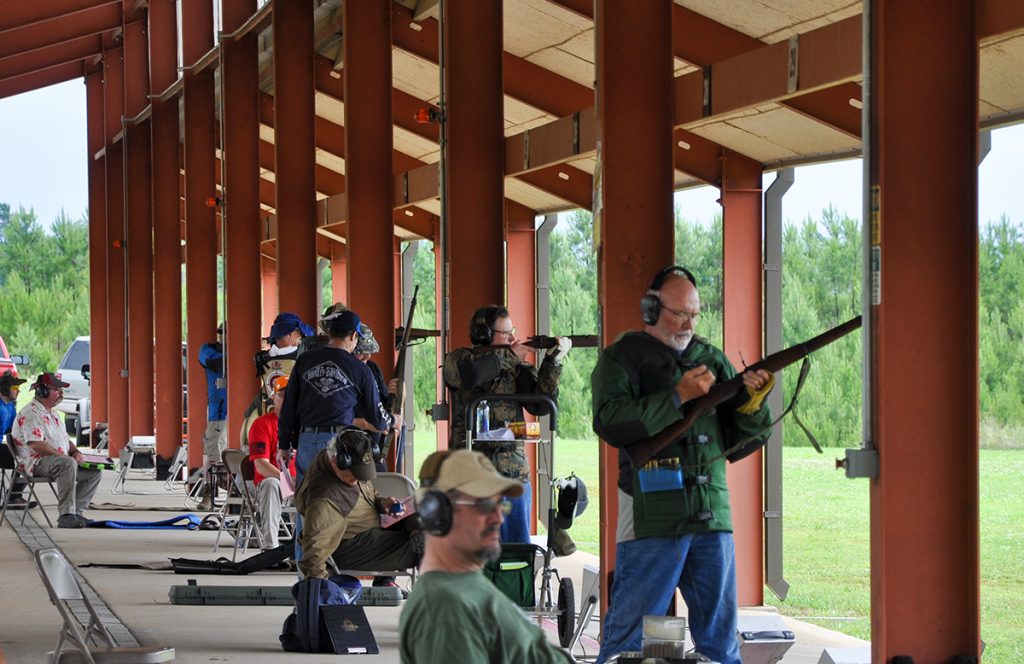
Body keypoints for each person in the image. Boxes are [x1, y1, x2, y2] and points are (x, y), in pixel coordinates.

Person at [590, 266, 776, 664]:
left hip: (712, 515)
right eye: (680, 314)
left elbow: (739, 441)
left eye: (695, 314)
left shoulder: (711, 357)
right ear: (651, 309)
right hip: (650, 517)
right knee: (627, 639)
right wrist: (677, 396)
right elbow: (610, 420)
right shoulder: (621, 358)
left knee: (722, 643)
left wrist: (753, 403)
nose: (689, 323)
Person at [398, 449, 572, 663]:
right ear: (438, 513)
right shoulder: (447, 611)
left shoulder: (465, 586)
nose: (498, 517)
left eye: (500, 504)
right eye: (484, 505)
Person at [277, 308, 400, 563]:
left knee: (307, 508)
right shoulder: (359, 369)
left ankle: (307, 579)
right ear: (354, 336)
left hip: (307, 441)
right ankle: (330, 574)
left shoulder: (304, 362)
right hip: (339, 447)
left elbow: (288, 407)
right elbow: (377, 417)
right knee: (337, 509)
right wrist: (392, 420)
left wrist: (284, 445)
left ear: (329, 333)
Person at [443, 305, 571, 543]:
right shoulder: (458, 359)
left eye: (513, 331)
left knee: (516, 551)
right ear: (483, 334)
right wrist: (510, 356)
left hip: (512, 473)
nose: (513, 338)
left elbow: (540, 405)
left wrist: (553, 363)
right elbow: (471, 375)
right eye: (506, 333)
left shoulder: (516, 365)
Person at [294, 428, 421, 580]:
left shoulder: (336, 459)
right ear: (338, 461)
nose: (358, 479)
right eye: (355, 474)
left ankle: (417, 531)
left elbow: (367, 493)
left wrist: (382, 503)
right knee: (432, 543)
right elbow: (314, 555)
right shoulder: (324, 501)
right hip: (353, 546)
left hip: (371, 528)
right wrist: (322, 591)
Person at [11, 373, 102, 528]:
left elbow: (66, 440)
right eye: (57, 389)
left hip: (57, 462)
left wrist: (75, 452)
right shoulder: (31, 413)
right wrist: (64, 457)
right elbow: (36, 444)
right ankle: (66, 515)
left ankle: (77, 513)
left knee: (94, 472)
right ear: (42, 391)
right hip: (36, 463)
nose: (61, 393)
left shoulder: (52, 413)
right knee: (67, 464)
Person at [241, 313, 315, 451]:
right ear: (290, 334)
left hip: (265, 408)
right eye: (299, 333)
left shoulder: (261, 357)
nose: (300, 337)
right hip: (295, 415)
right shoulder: (303, 355)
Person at [247, 375, 297, 550]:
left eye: (292, 395)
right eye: (282, 395)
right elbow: (261, 465)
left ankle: (303, 550)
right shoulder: (261, 424)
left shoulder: (305, 425)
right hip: (271, 482)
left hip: (298, 482)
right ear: (273, 397)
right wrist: (288, 481)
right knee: (271, 484)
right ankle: (270, 548)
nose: (287, 400)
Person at [351, 324, 397, 471]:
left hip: (374, 448)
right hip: (348, 446)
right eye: (362, 352)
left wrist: (398, 396)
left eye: (369, 351)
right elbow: (334, 417)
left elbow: (383, 403)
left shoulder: (372, 368)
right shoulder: (342, 374)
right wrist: (366, 424)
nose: (367, 356)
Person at [196, 323, 227, 510]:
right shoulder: (208, 350)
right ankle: (209, 492)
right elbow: (215, 363)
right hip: (218, 411)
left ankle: (233, 492)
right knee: (214, 456)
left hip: (240, 412)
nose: (223, 336)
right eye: (221, 333)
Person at [0, 370, 34, 509]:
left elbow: (14, 429)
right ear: (4, 389)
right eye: (15, 388)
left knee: (29, 457)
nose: (18, 392)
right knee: (26, 460)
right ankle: (13, 497)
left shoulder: (9, 406)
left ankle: (14, 496)